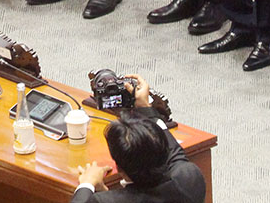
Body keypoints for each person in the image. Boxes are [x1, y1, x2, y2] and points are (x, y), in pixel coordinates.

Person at [71, 75, 205, 203]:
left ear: (119, 168)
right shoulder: (189, 180)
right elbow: (175, 152)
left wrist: (87, 183)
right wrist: (146, 108)